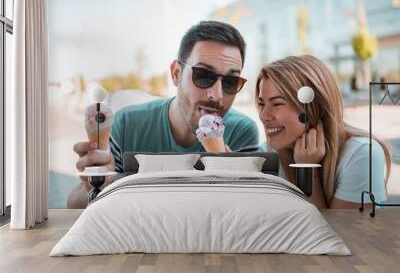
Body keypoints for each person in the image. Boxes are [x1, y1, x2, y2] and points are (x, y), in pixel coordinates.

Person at [69, 21, 259, 208]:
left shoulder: (243, 132)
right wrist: (94, 185)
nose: (217, 95)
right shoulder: (127, 124)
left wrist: (227, 169)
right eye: (204, 76)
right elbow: (76, 205)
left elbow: (247, 211)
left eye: (230, 82)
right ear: (176, 73)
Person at [255, 55, 391, 209]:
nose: (263, 115)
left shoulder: (363, 154)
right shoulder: (268, 153)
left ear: (314, 107)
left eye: (277, 104)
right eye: (261, 104)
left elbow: (338, 232)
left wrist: (307, 169)